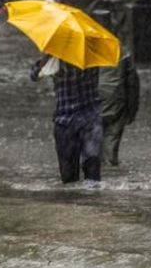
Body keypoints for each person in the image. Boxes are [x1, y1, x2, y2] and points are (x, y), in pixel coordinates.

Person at [30, 56, 103, 184]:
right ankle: (93, 201)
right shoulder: (93, 54)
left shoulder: (55, 57)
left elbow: (34, 75)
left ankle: (72, 202)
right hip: (90, 119)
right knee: (93, 174)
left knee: (69, 179)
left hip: (66, 120)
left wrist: (47, 57)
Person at [94, 11, 140, 166]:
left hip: (91, 102)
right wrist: (132, 110)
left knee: (91, 147)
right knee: (110, 145)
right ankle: (109, 177)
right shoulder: (121, 49)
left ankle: (91, 182)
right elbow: (132, 82)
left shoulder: (83, 48)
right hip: (116, 102)